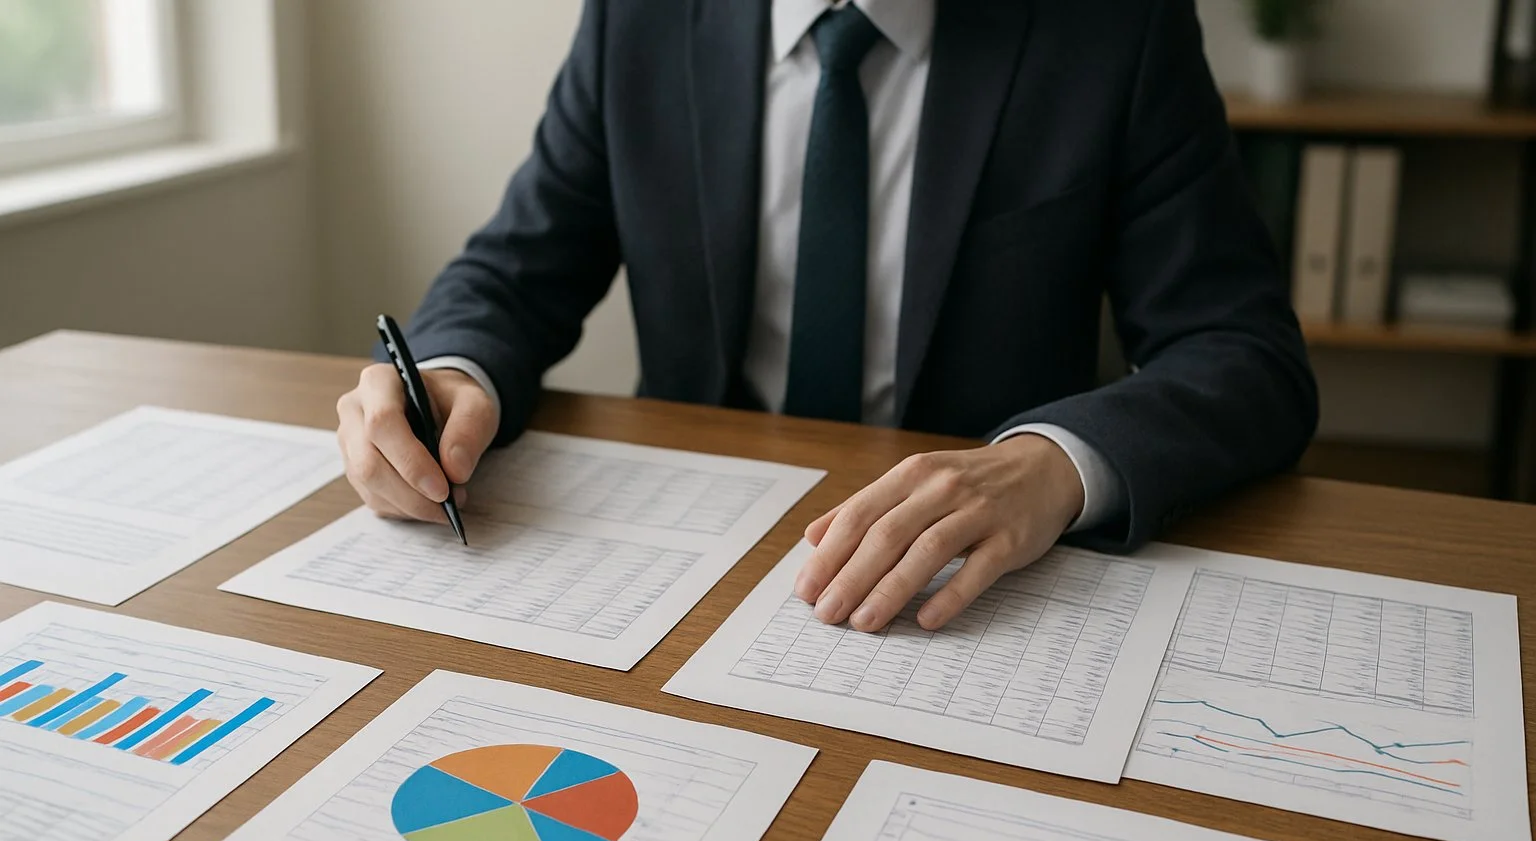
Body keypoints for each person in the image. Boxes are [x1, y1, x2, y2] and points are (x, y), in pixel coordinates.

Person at [335, 0, 1317, 635]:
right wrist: (452, 374)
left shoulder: (1115, 27)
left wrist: (1055, 465)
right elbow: (518, 265)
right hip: (680, 565)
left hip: (968, 589)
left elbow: (1244, 352)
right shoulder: (638, 19)